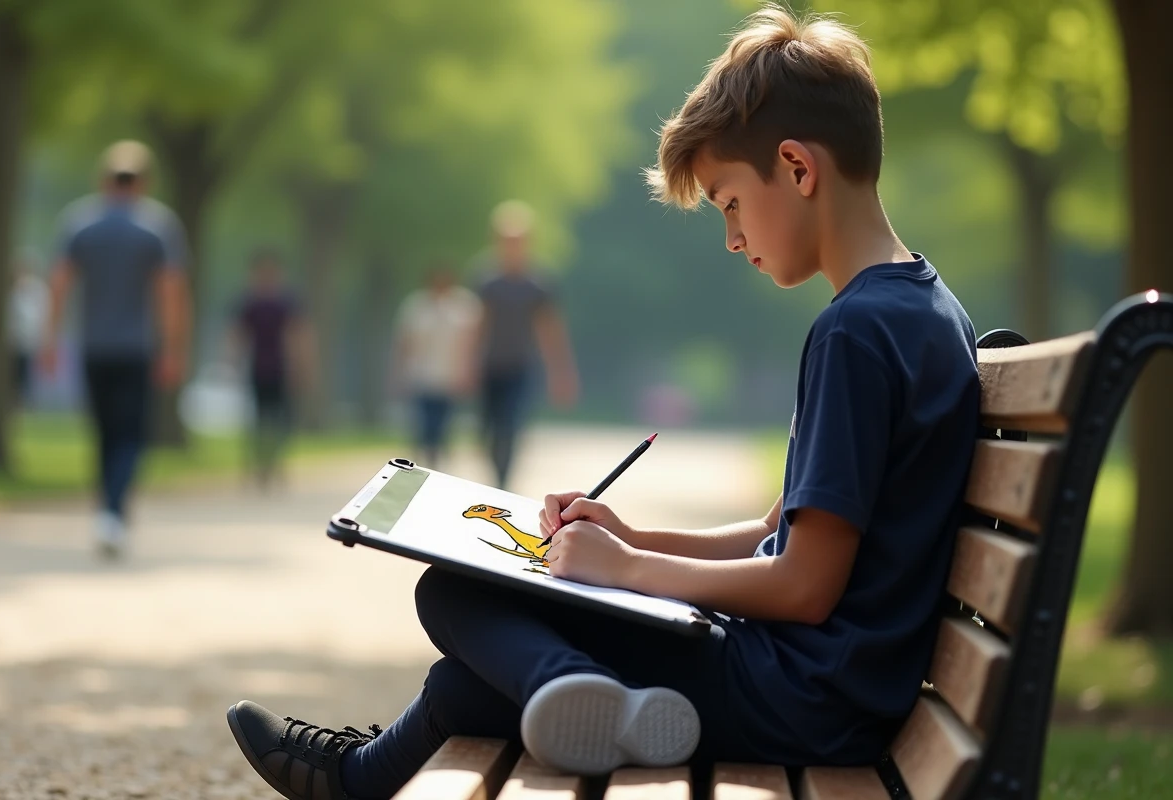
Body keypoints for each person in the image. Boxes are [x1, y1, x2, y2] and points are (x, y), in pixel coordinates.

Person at [224, 6, 981, 798]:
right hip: (822, 683)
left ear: (796, 167)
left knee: (454, 591)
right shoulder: (922, 310)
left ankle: (559, 685)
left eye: (728, 202)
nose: (731, 238)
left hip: (800, 697)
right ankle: (376, 772)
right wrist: (630, 535)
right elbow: (776, 531)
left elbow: (803, 583)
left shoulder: (856, 332)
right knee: (468, 687)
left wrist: (632, 571)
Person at [41, 140, 191, 558]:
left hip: (94, 346)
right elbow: (170, 293)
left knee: (104, 432)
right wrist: (173, 348)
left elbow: (59, 285)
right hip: (136, 349)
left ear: (103, 178)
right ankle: (112, 510)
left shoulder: (80, 223)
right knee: (130, 434)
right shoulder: (157, 227)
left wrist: (49, 339)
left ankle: (108, 510)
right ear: (144, 182)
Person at [470, 200, 579, 488]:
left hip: (520, 368)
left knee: (511, 426)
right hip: (489, 367)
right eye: (507, 240)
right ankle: (496, 469)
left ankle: (502, 482)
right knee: (487, 431)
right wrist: (466, 365)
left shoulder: (539, 284)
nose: (512, 246)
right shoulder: (486, 280)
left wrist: (561, 373)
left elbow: (550, 331)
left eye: (518, 240)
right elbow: (477, 325)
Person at [227, 248, 311, 490]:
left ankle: (275, 463)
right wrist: (231, 361)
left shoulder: (287, 302)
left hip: (283, 370)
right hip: (257, 369)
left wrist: (302, 367)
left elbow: (299, 334)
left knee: (282, 422)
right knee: (257, 421)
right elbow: (237, 334)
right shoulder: (249, 302)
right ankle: (256, 465)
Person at [389, 265, 482, 469]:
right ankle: (424, 458)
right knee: (423, 424)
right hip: (421, 376)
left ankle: (437, 461)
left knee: (443, 426)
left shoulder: (464, 307)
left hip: (449, 379)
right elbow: (404, 342)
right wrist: (399, 374)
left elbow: (471, 344)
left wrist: (469, 373)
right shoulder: (415, 306)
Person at [6, 250, 50, 407]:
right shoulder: (10, 290)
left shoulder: (37, 289)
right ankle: (15, 403)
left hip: (28, 340)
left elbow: (40, 315)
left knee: (25, 375)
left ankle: (25, 404)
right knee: (13, 375)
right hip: (12, 342)